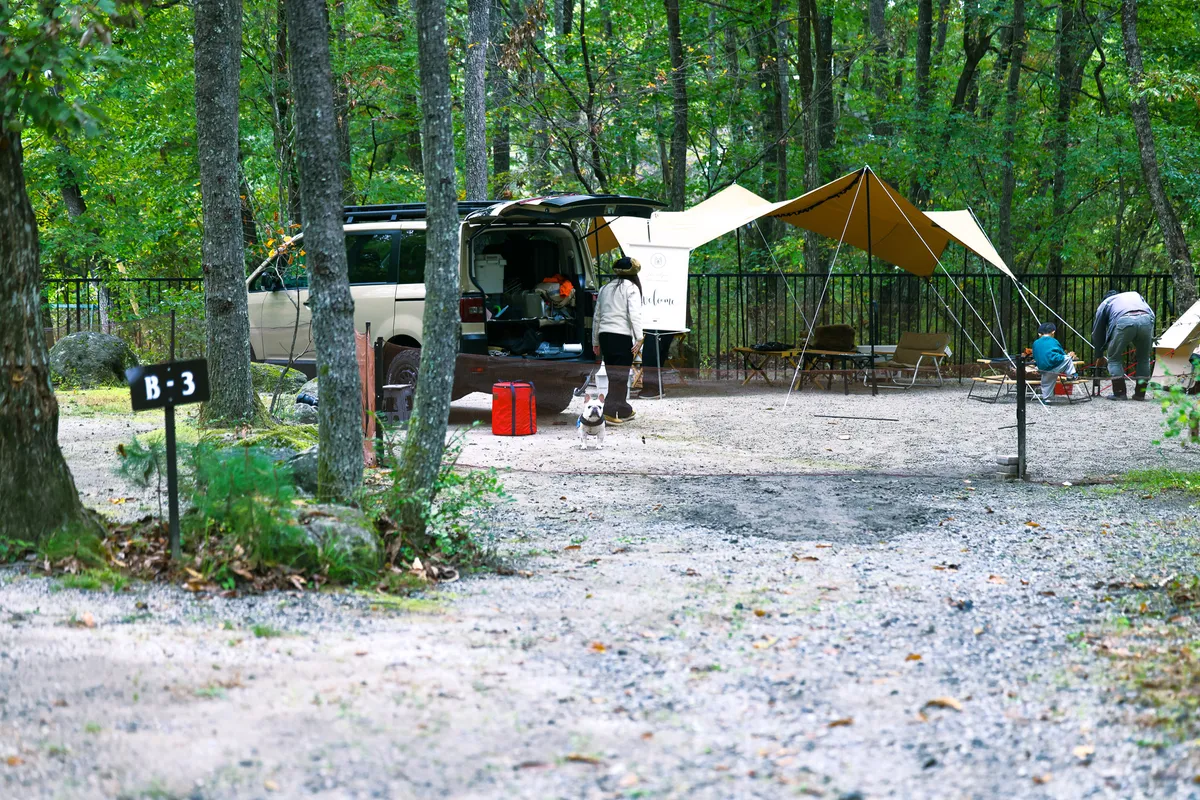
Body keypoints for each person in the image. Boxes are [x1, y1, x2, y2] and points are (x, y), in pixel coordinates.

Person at [592, 256, 643, 423]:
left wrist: (595, 342)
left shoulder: (605, 288)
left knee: (613, 374)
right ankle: (608, 411)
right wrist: (639, 338)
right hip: (621, 336)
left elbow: (597, 317)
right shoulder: (632, 288)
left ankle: (623, 410)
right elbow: (634, 315)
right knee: (619, 376)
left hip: (605, 336)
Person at [1092, 289, 1155, 400]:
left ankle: (1120, 393)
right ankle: (1140, 394)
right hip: (1146, 319)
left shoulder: (1106, 302)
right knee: (1144, 358)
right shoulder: (1135, 295)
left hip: (1124, 320)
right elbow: (1151, 314)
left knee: (1114, 358)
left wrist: (1099, 354)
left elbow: (1098, 331)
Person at [1032, 321, 1077, 401]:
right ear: (1053, 332)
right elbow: (1061, 353)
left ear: (1039, 334)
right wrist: (1069, 356)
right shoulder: (1054, 341)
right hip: (1054, 364)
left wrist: (1037, 365)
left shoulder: (1035, 343)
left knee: (1046, 384)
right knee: (1067, 358)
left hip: (1043, 368)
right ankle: (1071, 375)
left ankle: (1046, 399)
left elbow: (1035, 356)